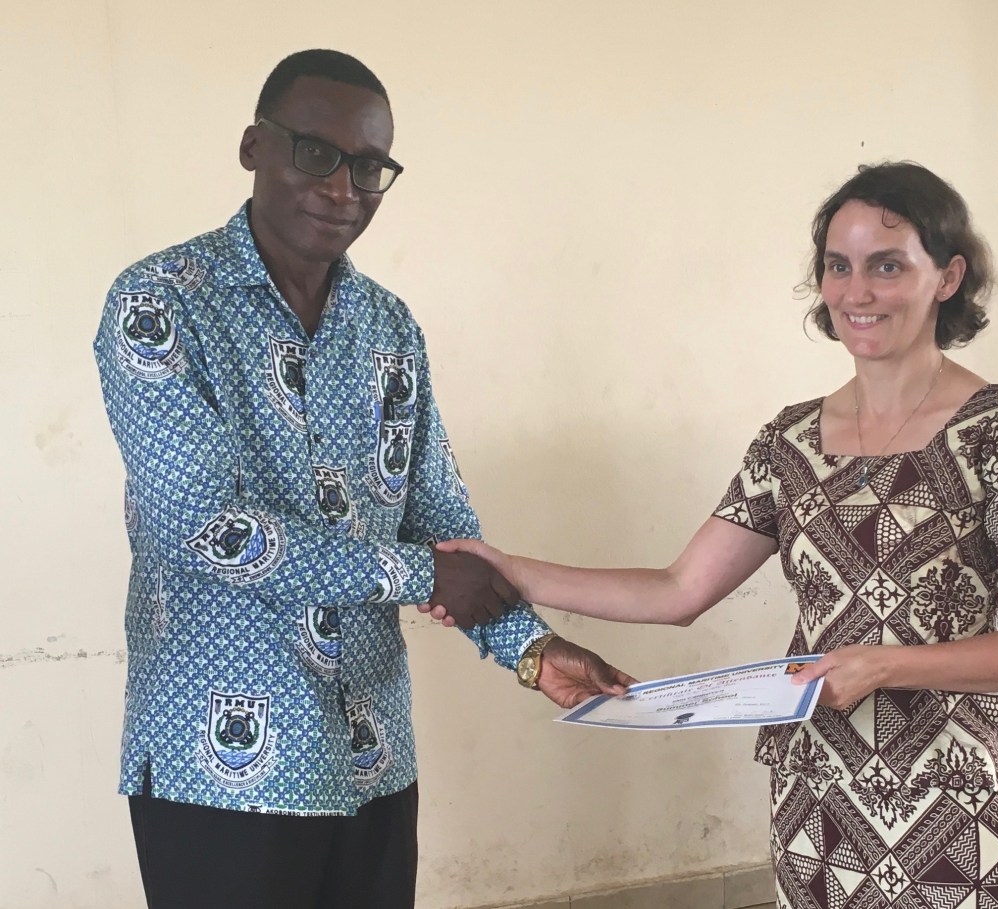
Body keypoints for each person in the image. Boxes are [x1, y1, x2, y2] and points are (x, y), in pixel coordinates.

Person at [435, 162, 998, 909]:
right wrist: (510, 568)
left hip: (965, 806)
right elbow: (678, 590)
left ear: (948, 277)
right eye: (838, 266)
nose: (857, 292)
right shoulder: (789, 441)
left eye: (887, 266)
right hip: (821, 804)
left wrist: (885, 665)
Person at [93, 49, 631, 909]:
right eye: (317, 153)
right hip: (218, 772)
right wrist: (423, 574)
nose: (343, 187)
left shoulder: (389, 327)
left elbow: (444, 530)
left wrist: (533, 651)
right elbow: (205, 526)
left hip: (370, 759)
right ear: (253, 146)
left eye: (370, 166)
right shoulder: (160, 303)